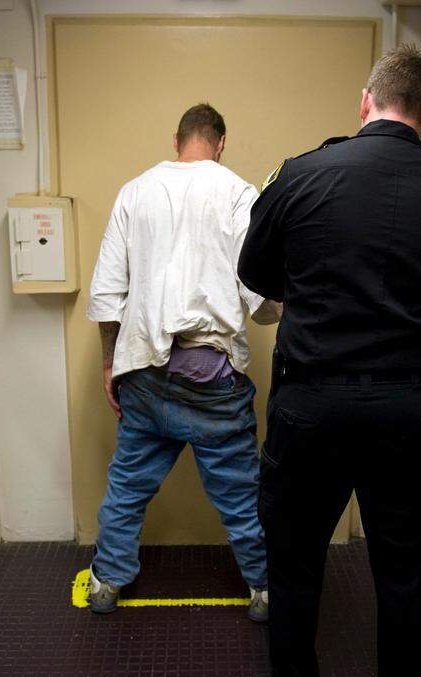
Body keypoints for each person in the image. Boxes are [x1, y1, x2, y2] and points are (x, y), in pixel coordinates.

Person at [237, 45, 421, 677]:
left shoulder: (301, 176)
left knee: (295, 563)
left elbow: (256, 271)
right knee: (406, 574)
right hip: (409, 410)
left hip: (311, 406)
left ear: (365, 100)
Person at [85, 103, 280, 622]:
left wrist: (109, 365)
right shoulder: (238, 193)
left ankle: (106, 582)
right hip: (212, 379)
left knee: (128, 485)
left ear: (177, 141)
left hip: (145, 375)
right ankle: (264, 589)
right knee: (240, 495)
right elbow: (262, 297)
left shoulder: (135, 191)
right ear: (221, 144)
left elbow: (107, 294)